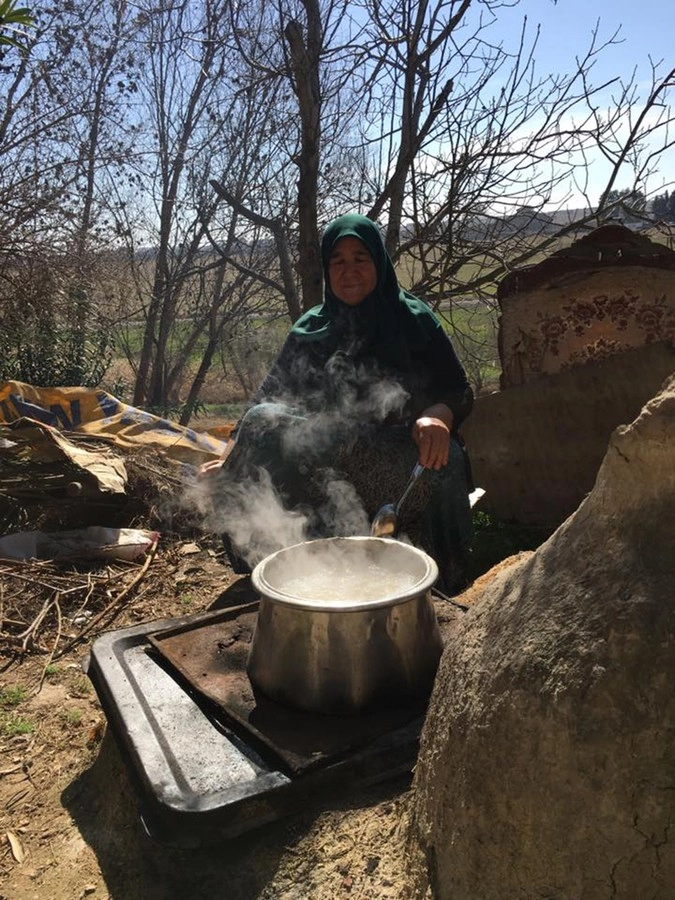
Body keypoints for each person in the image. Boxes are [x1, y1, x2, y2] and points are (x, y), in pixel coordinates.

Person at [204, 213, 474, 594]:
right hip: (325, 458)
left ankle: (446, 578)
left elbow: (459, 389)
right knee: (264, 422)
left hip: (397, 461)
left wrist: (437, 417)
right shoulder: (310, 329)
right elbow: (264, 401)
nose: (349, 271)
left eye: (360, 258)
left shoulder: (414, 321)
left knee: (450, 462)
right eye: (338, 261)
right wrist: (231, 457)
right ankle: (273, 560)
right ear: (327, 269)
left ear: (379, 262)